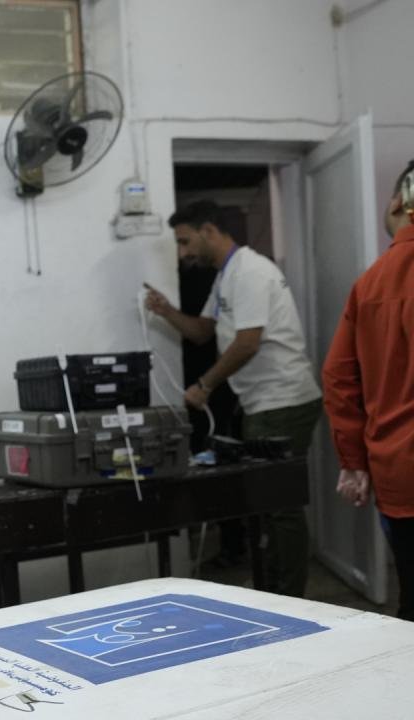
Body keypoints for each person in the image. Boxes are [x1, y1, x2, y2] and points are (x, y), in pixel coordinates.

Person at [144, 200, 322, 597]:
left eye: (185, 241)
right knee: (267, 503)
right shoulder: (226, 276)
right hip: (263, 401)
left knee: (280, 505)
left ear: (209, 231)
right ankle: (273, 585)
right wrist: (166, 311)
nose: (183, 252)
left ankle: (289, 596)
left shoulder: (251, 271)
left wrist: (204, 385)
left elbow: (247, 343)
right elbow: (202, 332)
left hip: (283, 400)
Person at [322, 161, 414, 620]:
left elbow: (338, 377)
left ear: (398, 201)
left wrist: (354, 461)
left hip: (398, 471)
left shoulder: (371, 283)